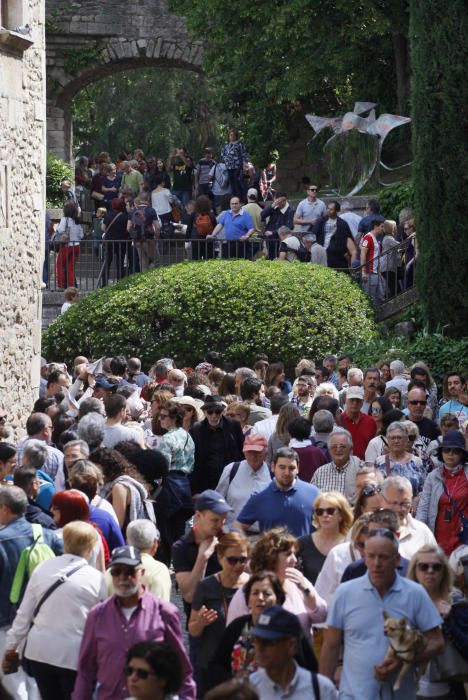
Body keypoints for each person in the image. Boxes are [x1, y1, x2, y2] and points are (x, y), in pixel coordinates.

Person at [320, 529, 444, 699]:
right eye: (370, 556)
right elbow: (330, 646)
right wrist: (322, 692)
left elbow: (436, 641)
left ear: (397, 560)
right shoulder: (345, 593)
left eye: (383, 557)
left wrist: (404, 660)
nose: (376, 564)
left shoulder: (415, 593)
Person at [72, 545, 195, 700]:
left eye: (129, 572)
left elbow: (181, 666)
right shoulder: (97, 615)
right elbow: (86, 671)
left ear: (141, 572)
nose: (123, 577)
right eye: (116, 572)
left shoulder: (164, 612)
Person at [2, 522, 106, 700]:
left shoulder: (43, 568)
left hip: (39, 652)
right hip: (74, 655)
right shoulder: (97, 579)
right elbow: (103, 624)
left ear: (65, 542)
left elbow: (24, 614)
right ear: (91, 547)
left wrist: (11, 647)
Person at [0, 486, 63, 700]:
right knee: (36, 679)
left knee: (13, 680)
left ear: (4, 509)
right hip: (45, 620)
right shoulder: (48, 535)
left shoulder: (1, 540)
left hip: (7, 621)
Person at [226, 527, 327, 633]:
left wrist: (307, 592)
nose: (295, 560)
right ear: (271, 558)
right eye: (288, 554)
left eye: (294, 554)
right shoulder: (248, 590)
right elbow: (233, 633)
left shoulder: (300, 583)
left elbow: (322, 617)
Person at [189, 532, 250, 695]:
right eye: (232, 560)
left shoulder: (253, 587)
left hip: (244, 666)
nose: (238, 565)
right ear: (219, 558)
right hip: (212, 666)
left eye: (243, 560)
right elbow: (192, 629)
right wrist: (201, 623)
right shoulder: (206, 587)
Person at [406, 544, 468, 700]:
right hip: (409, 689)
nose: (430, 571)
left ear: (444, 571)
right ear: (415, 570)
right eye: (423, 567)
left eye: (436, 567)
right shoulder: (404, 602)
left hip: (448, 690)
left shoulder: (456, 603)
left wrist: (448, 622)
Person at [249, 605, 337, 700]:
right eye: (257, 640)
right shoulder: (249, 688)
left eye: (267, 642)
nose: (260, 648)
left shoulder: (321, 689)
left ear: (291, 645)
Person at [235, 447, 320, 537]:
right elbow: (238, 525)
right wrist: (245, 548)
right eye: (282, 467)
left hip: (305, 551)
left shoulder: (313, 493)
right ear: (273, 467)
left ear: (298, 468)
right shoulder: (260, 496)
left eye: (291, 468)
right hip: (271, 551)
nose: (287, 472)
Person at [416, 429, 468, 556]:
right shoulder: (433, 477)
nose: (450, 454)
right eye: (446, 450)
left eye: (455, 451)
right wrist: (420, 536)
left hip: (463, 536)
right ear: (441, 452)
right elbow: (423, 508)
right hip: (439, 536)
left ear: (462, 454)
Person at [90, 446, 155, 532]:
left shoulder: (119, 487)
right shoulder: (118, 482)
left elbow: (117, 523)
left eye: (94, 467)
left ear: (105, 467)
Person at [314, 514, 372, 607]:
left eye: (367, 545)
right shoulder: (338, 554)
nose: (363, 550)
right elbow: (321, 596)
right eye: (358, 544)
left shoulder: (394, 556)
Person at [157, 401, 195, 543]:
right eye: (159, 416)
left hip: (169, 485)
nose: (160, 419)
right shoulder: (187, 436)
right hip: (184, 484)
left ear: (174, 418)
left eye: (163, 416)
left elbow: (162, 467)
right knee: (179, 531)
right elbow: (191, 463)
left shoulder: (167, 439)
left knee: (167, 532)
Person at [190, 395, 244, 494]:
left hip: (230, 479)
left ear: (222, 412)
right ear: (204, 412)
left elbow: (242, 451)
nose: (214, 415)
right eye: (210, 412)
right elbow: (193, 460)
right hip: (206, 481)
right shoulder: (196, 430)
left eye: (217, 412)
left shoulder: (233, 425)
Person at [215, 434, 271, 527]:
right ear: (244, 452)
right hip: (233, 534)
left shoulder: (273, 474)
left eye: (257, 452)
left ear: (265, 453)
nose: (253, 456)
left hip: (263, 535)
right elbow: (218, 500)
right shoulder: (231, 469)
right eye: (249, 452)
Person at [297, 491, 353, 585]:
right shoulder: (302, 543)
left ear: (341, 515)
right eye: (320, 512)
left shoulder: (350, 544)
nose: (325, 515)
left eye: (330, 511)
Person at [380, 476, 437, 558]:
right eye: (394, 503)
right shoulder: (369, 528)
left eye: (405, 503)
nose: (399, 509)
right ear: (381, 500)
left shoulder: (422, 531)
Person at [375, 420, 426, 497]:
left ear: (406, 439)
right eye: (392, 438)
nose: (396, 441)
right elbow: (375, 490)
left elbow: (423, 490)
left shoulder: (417, 462)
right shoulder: (379, 462)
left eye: (399, 437)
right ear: (388, 440)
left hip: (411, 507)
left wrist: (417, 500)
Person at [311, 428, 362, 502]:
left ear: (350, 449)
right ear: (329, 449)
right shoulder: (320, 473)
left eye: (342, 447)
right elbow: (312, 499)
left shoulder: (360, 470)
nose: (338, 450)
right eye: (334, 447)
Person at [312, 201, 358, 272]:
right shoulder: (321, 221)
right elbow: (313, 236)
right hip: (322, 254)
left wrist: (351, 258)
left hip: (337, 258)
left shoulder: (342, 224)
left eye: (331, 209)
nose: (328, 211)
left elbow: (349, 242)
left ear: (337, 211)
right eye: (327, 208)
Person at [337, 386, 376, 459]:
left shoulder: (370, 422)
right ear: (345, 400)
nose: (355, 403)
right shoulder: (337, 422)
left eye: (358, 400)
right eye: (352, 400)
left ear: (362, 402)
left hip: (365, 467)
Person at [52, 200, 83, 289]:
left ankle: (61, 285)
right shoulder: (77, 221)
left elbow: (61, 230)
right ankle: (71, 286)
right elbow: (81, 235)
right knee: (71, 267)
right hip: (76, 246)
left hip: (67, 246)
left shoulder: (64, 219)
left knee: (60, 264)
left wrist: (56, 228)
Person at [101, 197, 129, 285]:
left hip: (109, 241)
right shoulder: (125, 216)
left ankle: (104, 283)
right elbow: (127, 229)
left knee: (107, 262)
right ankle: (120, 282)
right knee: (120, 263)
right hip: (121, 242)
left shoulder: (108, 215)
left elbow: (103, 228)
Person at [360, 218, 385, 304]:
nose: (383, 229)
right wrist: (363, 272)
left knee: (378, 299)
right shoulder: (368, 237)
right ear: (375, 226)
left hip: (375, 273)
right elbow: (363, 254)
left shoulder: (374, 238)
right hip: (369, 273)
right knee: (370, 300)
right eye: (381, 226)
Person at [186, 195, 217, 260]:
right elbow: (215, 227)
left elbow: (189, 228)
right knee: (209, 261)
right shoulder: (211, 215)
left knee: (196, 260)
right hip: (208, 240)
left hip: (196, 240)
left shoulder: (194, 214)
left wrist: (187, 240)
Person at [220, 129, 249, 200]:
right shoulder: (227, 145)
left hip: (237, 166)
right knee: (232, 184)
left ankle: (241, 199)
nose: (231, 136)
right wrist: (225, 159)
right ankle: (234, 199)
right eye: (230, 135)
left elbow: (244, 155)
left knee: (238, 183)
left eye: (233, 135)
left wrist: (245, 165)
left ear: (236, 136)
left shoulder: (239, 144)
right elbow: (222, 153)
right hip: (229, 167)